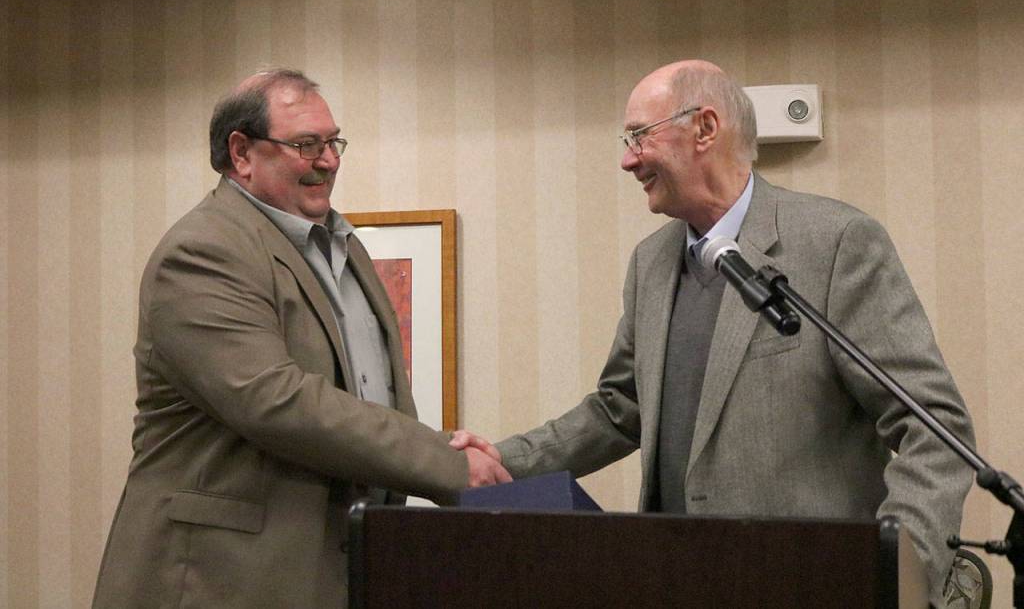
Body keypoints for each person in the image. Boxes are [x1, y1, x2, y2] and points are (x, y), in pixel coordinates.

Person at [453, 60, 975, 605]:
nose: (627, 159)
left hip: (808, 585)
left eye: (638, 135)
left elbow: (934, 428)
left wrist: (893, 569)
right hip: (672, 581)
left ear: (704, 128)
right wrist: (502, 461)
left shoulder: (836, 243)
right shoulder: (650, 263)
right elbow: (619, 407)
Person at [93, 69, 510, 608]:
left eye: (334, 142)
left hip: (331, 572)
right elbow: (277, 401)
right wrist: (448, 463)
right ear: (241, 153)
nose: (329, 160)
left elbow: (370, 396)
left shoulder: (342, 247)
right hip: (218, 583)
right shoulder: (203, 251)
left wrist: (444, 451)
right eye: (306, 144)